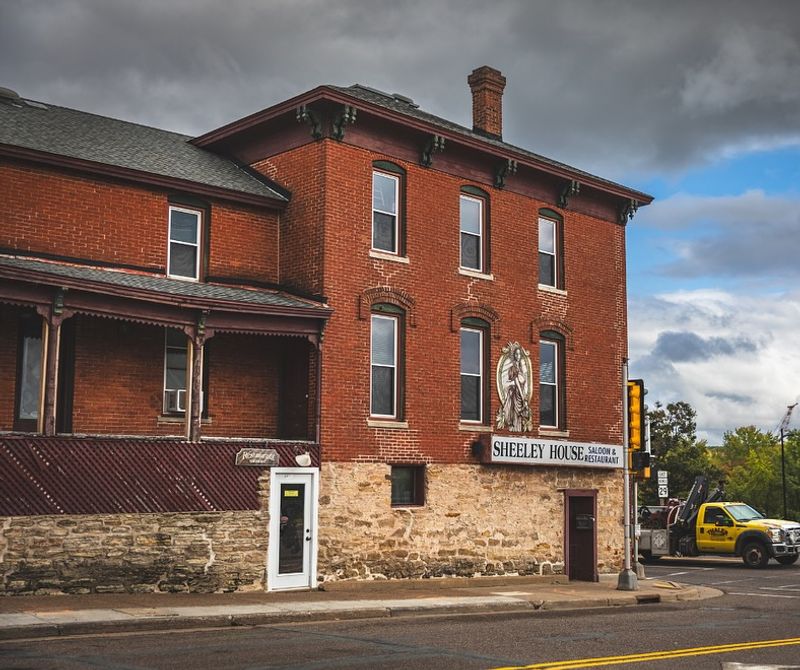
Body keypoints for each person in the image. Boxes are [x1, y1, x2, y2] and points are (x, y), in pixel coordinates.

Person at [500, 345, 532, 432]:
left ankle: (518, 429)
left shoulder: (521, 369)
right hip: (515, 394)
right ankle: (514, 429)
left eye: (519, 354)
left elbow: (524, 384)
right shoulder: (512, 368)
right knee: (515, 413)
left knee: (521, 416)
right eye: (516, 354)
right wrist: (523, 398)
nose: (518, 356)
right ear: (513, 356)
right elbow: (517, 383)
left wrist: (524, 399)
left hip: (521, 393)